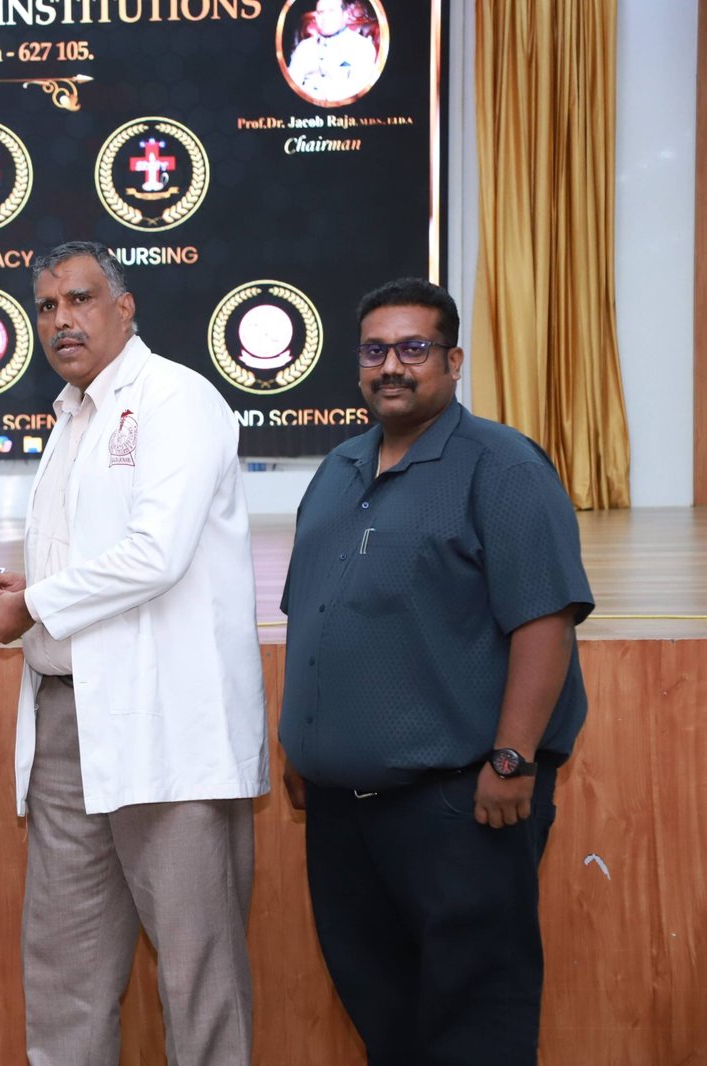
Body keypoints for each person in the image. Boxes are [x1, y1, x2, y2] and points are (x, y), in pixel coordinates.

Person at [278, 278, 593, 1065]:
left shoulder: (502, 466)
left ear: (453, 362)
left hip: (460, 808)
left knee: (474, 1026)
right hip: (344, 814)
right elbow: (312, 614)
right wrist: (301, 747)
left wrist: (512, 760)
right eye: (375, 350)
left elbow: (544, 621)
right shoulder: (338, 469)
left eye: (414, 348)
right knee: (385, 1020)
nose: (392, 366)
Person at [0, 241, 269, 1066]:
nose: (62, 320)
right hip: (66, 726)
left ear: (124, 307)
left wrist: (35, 603)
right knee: (64, 974)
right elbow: (94, 560)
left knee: (198, 976)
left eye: (81, 299)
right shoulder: (71, 415)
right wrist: (32, 587)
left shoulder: (176, 398)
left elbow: (155, 555)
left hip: (165, 727)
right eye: (46, 307)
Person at [286, 0, 378, 102]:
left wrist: (319, 94)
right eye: (321, 12)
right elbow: (291, 82)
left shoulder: (362, 46)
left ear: (345, 15)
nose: (325, 18)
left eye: (331, 11)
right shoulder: (304, 46)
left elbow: (358, 90)